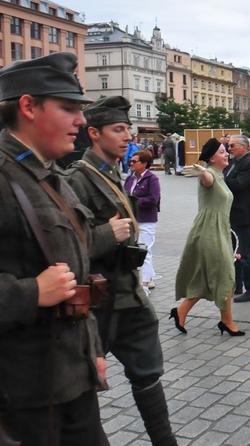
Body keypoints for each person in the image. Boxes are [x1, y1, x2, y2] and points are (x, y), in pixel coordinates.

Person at [0, 52, 107, 444]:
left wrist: (91, 349)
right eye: (68, 108)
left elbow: (75, 276)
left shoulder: (50, 176)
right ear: (28, 106)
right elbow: (47, 286)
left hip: (71, 378)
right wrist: (31, 292)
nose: (81, 121)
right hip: (21, 397)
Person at [66, 95, 176, 445]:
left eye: (128, 128)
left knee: (148, 372)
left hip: (128, 296)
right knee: (81, 384)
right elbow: (65, 246)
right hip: (96, 304)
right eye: (119, 129)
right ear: (94, 133)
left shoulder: (115, 173)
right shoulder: (77, 180)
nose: (128, 135)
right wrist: (104, 235)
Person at [173, 139, 246, 336]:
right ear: (212, 158)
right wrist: (203, 171)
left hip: (220, 230)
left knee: (206, 276)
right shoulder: (210, 174)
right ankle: (227, 321)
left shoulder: (221, 176)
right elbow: (207, 180)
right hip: (208, 231)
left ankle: (182, 312)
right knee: (226, 273)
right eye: (222, 151)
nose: (227, 154)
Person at [225, 134, 250, 303]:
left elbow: (239, 185)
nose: (229, 148)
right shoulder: (234, 162)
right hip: (233, 213)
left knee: (245, 253)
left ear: (244, 147)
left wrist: (221, 178)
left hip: (244, 214)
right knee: (235, 253)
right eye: (229, 145)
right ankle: (237, 284)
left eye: (233, 145)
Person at [124, 149, 161, 292]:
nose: (131, 163)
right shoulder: (130, 178)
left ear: (144, 163)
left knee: (144, 251)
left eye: (134, 161)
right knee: (139, 249)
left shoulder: (152, 179)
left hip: (146, 220)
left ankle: (144, 285)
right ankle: (150, 278)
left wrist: (134, 202)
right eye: (130, 161)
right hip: (132, 219)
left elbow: (153, 199)